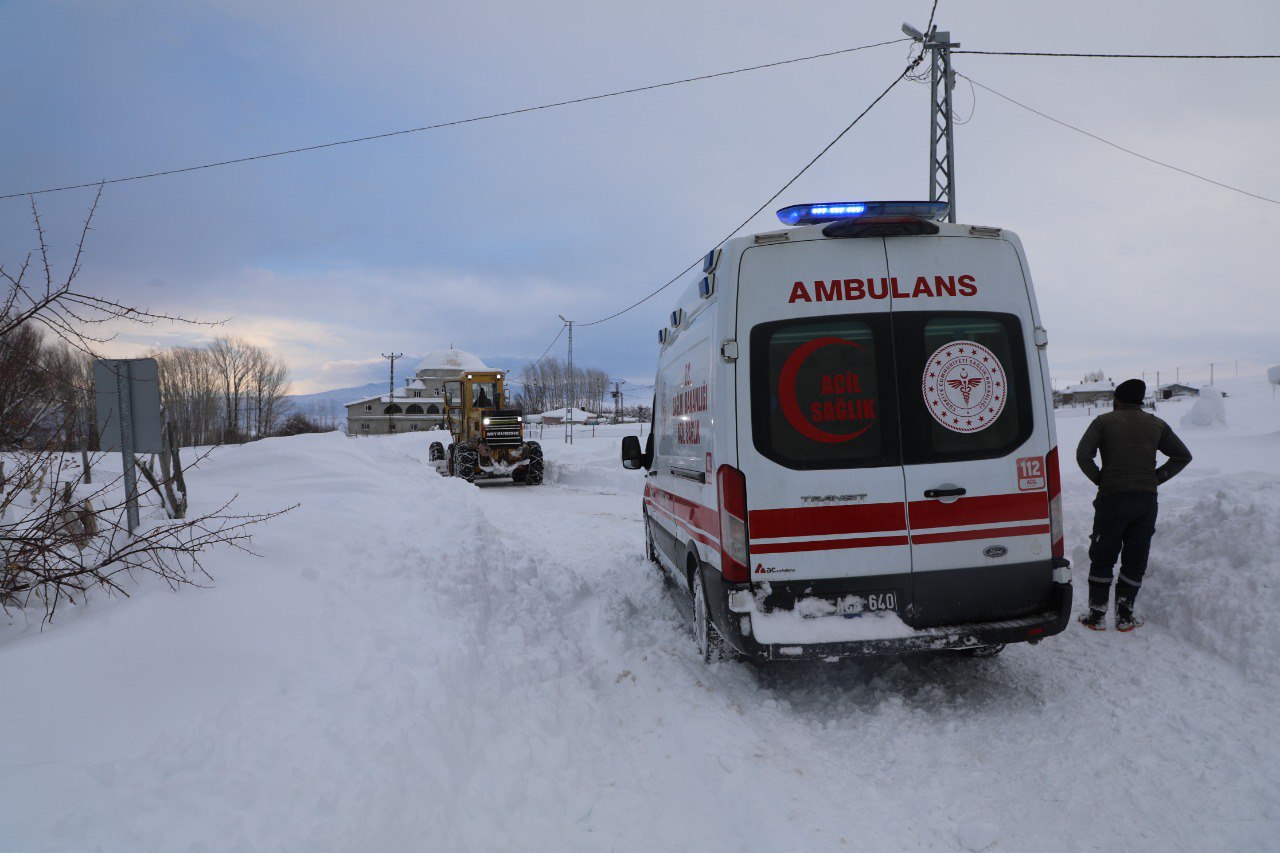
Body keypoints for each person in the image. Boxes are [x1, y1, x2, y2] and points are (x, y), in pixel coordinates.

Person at [1075, 379, 1192, 631]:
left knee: (1104, 553)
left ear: (1117, 400)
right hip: (1145, 500)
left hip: (1112, 498)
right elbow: (1183, 455)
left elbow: (1083, 455)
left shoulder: (1103, 422)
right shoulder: (1157, 424)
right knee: (1136, 555)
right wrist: (1156, 477)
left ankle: (1096, 616)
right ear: (1140, 401)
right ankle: (1125, 616)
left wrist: (1101, 479)